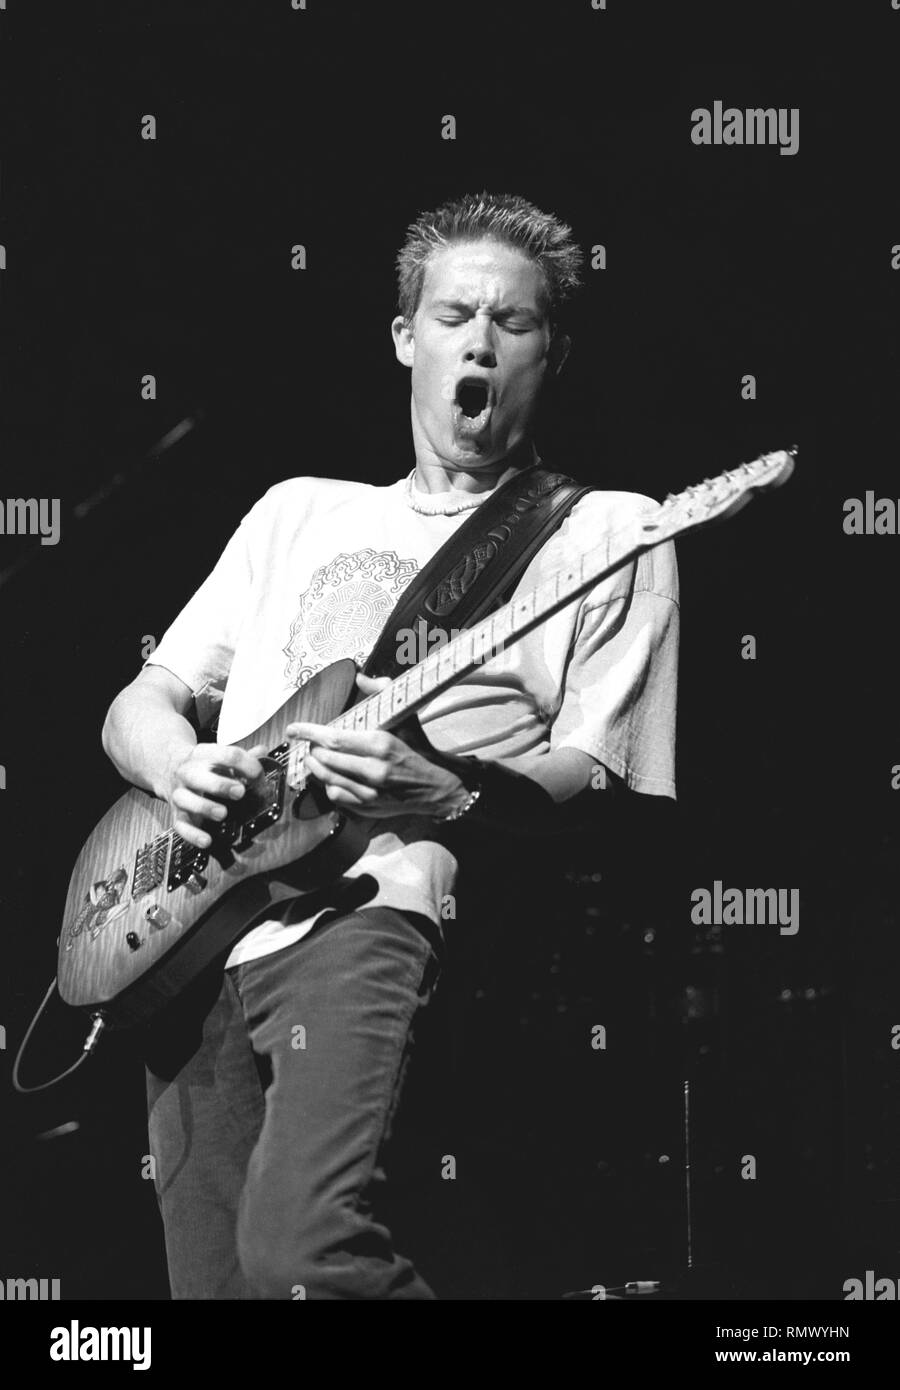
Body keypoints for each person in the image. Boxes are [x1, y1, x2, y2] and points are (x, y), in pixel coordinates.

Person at [101, 191, 680, 1299]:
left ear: (551, 351)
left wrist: (445, 787)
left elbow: (597, 781)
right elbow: (142, 700)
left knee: (302, 1257)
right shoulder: (294, 512)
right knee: (214, 1291)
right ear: (406, 338)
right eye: (455, 312)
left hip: (375, 909)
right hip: (190, 937)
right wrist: (179, 765)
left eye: (514, 323)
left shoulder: (609, 531)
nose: (481, 340)